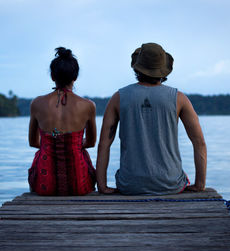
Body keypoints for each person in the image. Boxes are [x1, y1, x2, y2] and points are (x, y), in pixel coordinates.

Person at [96, 43, 207, 195]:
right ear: (162, 70)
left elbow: (103, 144)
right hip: (170, 184)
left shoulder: (118, 97)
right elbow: (199, 142)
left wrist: (101, 186)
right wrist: (200, 184)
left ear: (137, 67)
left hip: (130, 185)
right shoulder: (179, 99)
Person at [28, 47, 97, 196]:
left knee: (40, 154)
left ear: (52, 76)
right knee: (81, 152)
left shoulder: (37, 103)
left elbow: (33, 142)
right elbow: (91, 143)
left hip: (45, 186)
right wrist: (71, 143)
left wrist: (52, 141)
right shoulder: (88, 105)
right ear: (75, 77)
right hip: (79, 185)